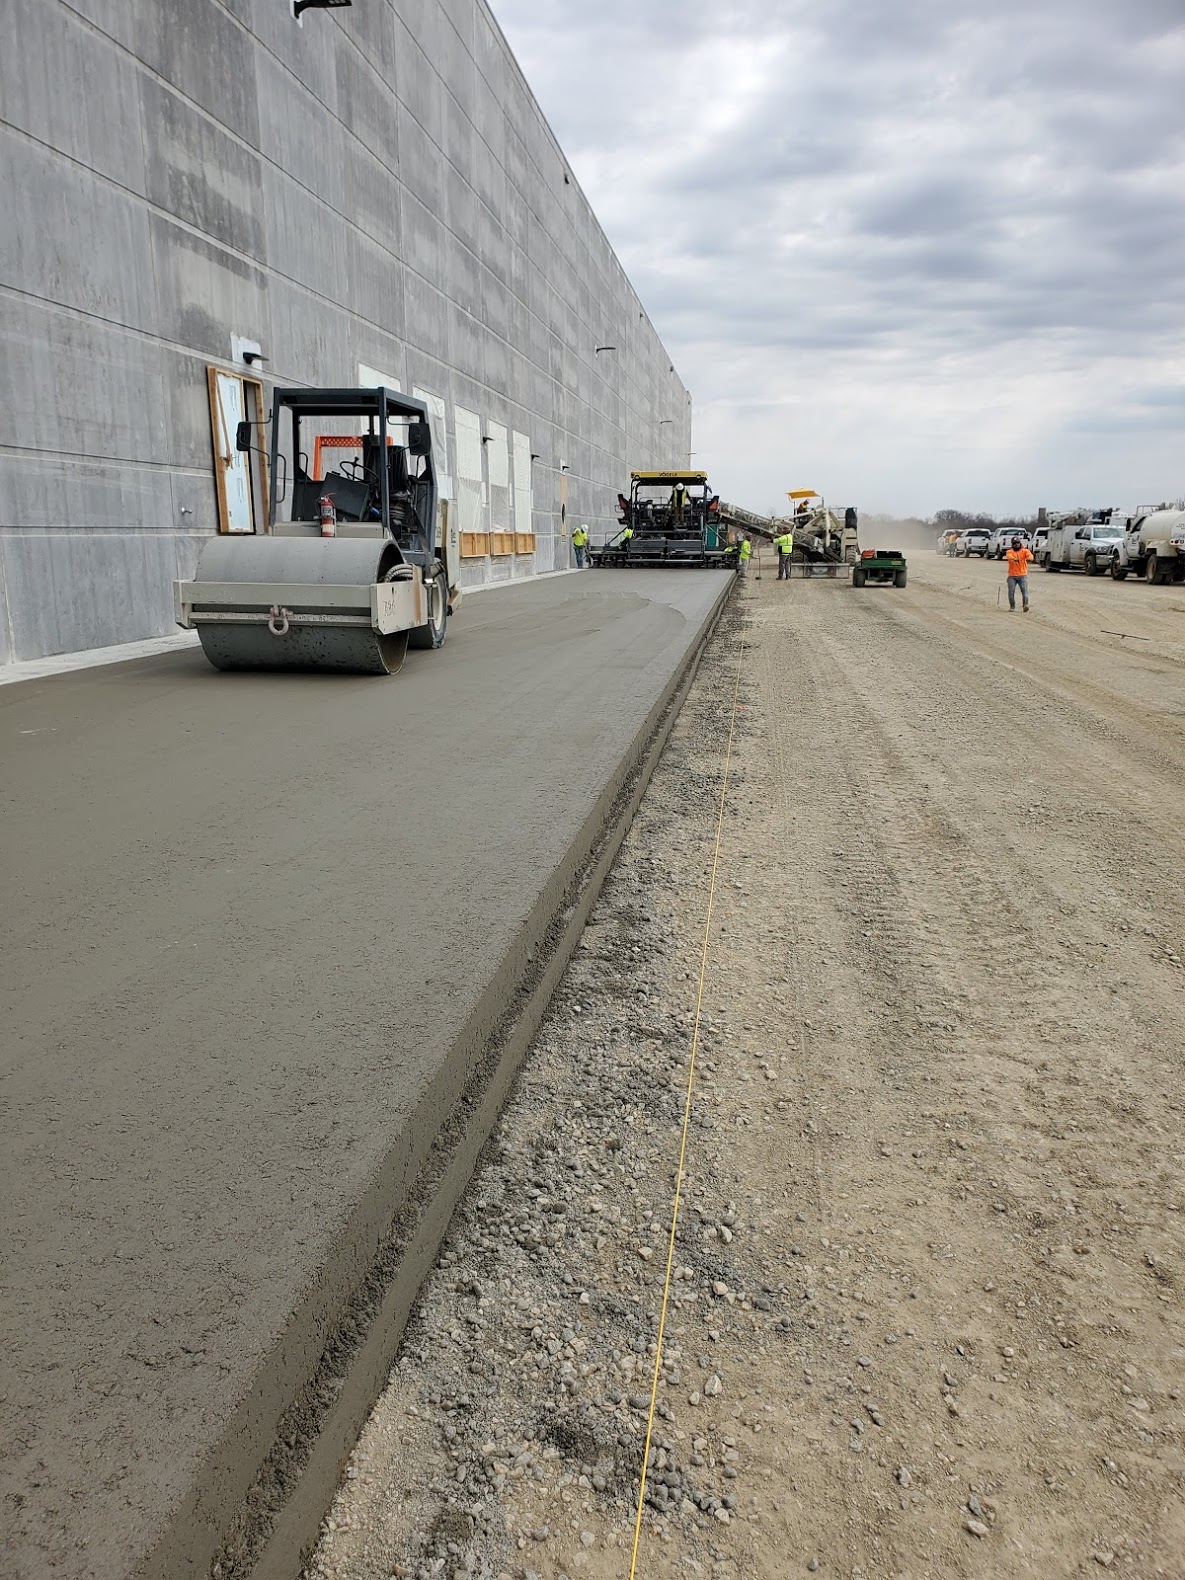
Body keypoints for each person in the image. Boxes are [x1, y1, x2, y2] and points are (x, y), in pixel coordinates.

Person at [1004, 536, 1033, 611]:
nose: (1016, 544)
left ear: (1020, 543)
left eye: (1018, 543)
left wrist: (1030, 558)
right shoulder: (1009, 552)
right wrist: (1014, 559)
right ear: (1012, 544)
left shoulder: (1025, 551)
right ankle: (1012, 606)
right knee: (1011, 592)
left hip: (1022, 575)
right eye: (1014, 543)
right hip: (1012, 576)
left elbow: (1030, 556)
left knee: (1025, 591)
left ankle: (1025, 605)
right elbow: (1009, 557)